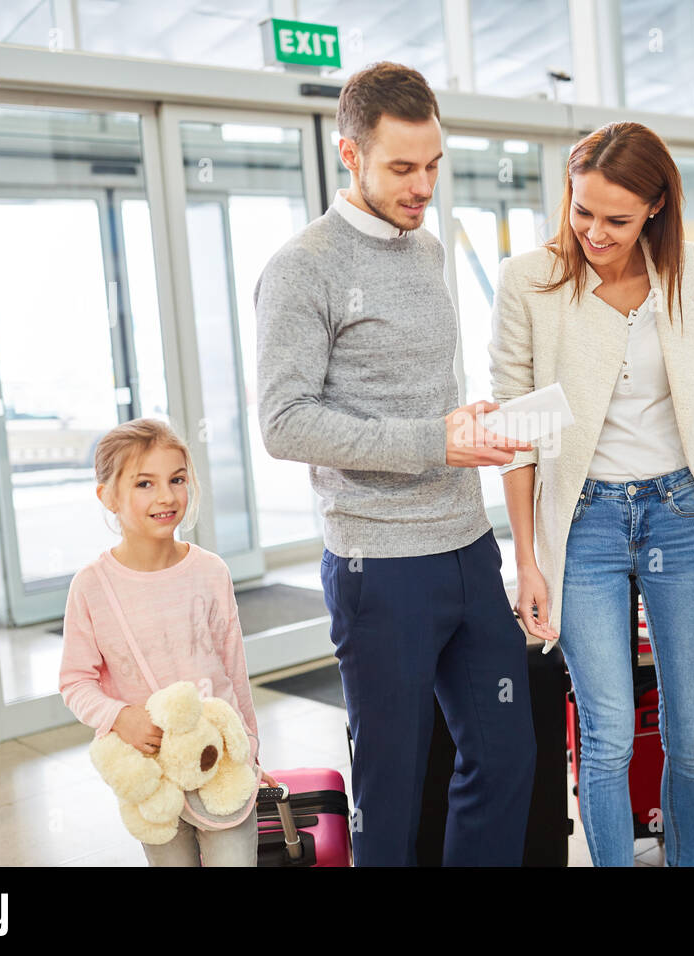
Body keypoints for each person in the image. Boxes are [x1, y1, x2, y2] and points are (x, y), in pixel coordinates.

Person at [255, 62, 537, 866]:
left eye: (434, 165)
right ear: (350, 155)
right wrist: (432, 440)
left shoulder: (428, 250)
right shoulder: (303, 266)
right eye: (402, 168)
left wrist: (467, 422)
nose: (423, 186)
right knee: (392, 784)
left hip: (465, 545)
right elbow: (284, 423)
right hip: (380, 564)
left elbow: (422, 398)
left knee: (508, 755)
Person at [489, 122, 694, 867]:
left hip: (681, 512)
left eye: (617, 219)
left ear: (657, 207)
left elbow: (689, 399)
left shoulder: (689, 273)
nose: (594, 230)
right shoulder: (529, 280)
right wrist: (526, 558)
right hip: (584, 519)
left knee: (691, 731)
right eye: (581, 209)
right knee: (608, 732)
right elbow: (515, 430)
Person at [59, 418, 278, 866]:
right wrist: (120, 717)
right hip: (151, 774)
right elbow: (75, 681)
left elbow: (234, 669)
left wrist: (250, 750)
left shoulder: (210, 571)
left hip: (220, 766)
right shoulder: (92, 587)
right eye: (144, 483)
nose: (166, 496)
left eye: (177, 479)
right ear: (108, 496)